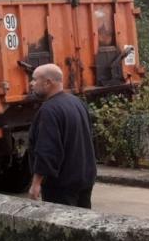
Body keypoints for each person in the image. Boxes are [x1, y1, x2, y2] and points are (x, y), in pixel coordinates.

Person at [28, 63, 97, 208]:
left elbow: (46, 150)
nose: (31, 83)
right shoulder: (77, 102)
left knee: (62, 226)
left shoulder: (48, 110)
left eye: (35, 80)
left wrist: (36, 183)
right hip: (84, 179)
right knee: (82, 225)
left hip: (62, 185)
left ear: (48, 82)